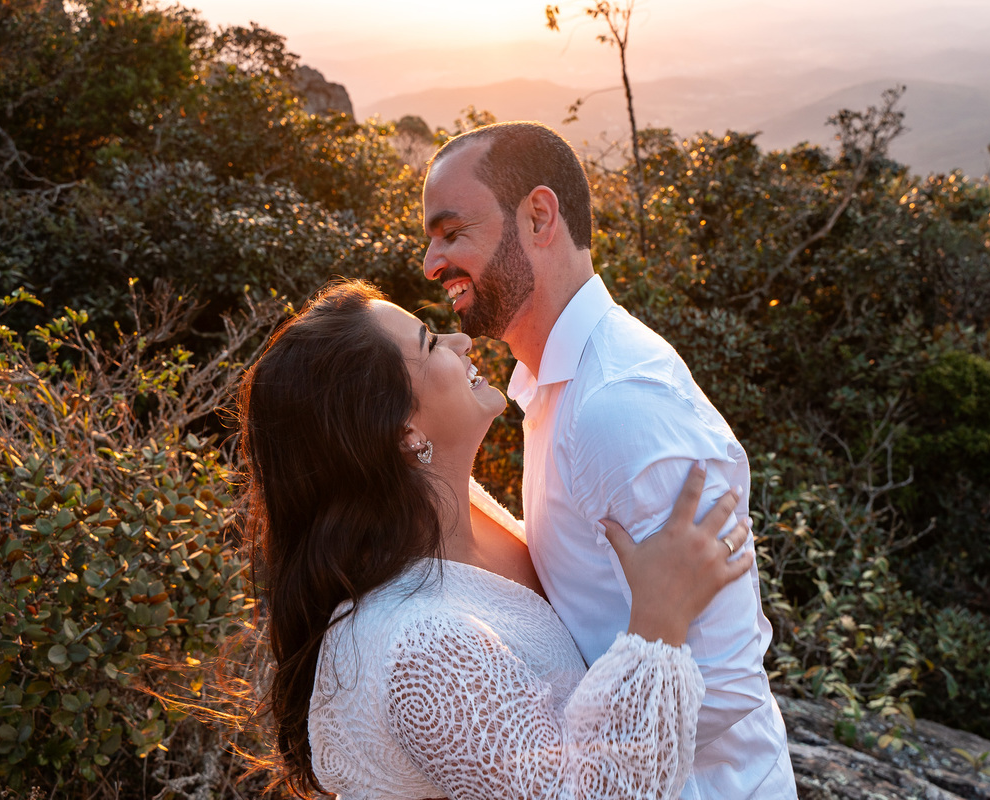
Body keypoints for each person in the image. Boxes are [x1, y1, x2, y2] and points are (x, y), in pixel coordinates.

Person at [238, 279, 756, 799]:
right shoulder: (423, 648)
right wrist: (659, 620)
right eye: (429, 343)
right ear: (404, 432)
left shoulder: (464, 511)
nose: (460, 341)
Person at [421, 121, 798, 799]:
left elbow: (727, 680)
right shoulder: (555, 387)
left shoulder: (619, 404)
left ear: (539, 217)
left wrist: (572, 758)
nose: (430, 262)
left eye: (451, 232)